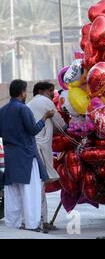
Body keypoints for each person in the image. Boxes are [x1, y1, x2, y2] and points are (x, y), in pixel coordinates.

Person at [0, 80, 54, 232]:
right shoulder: (23, 109)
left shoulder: (2, 111)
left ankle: (12, 224)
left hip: (11, 157)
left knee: (13, 193)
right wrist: (45, 117)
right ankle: (31, 224)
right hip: (26, 156)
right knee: (31, 192)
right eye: (25, 92)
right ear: (22, 92)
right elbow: (33, 129)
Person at [27, 82, 67, 231]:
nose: (53, 93)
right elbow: (61, 126)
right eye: (50, 90)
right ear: (41, 91)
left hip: (32, 149)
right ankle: (40, 220)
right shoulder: (45, 102)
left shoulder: (31, 103)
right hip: (40, 150)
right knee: (39, 187)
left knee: (36, 187)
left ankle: (39, 219)